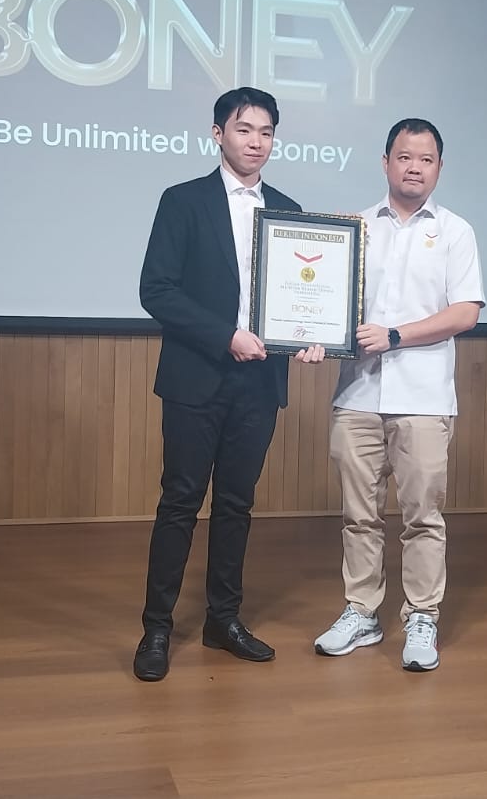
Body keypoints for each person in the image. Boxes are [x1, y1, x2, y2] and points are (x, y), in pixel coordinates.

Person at [133, 87, 321, 682]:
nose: (256, 142)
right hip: (197, 376)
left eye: (266, 132)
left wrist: (312, 336)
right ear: (218, 134)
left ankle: (223, 619)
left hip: (260, 382)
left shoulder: (288, 209)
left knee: (237, 505)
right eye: (244, 129)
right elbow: (156, 290)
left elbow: (301, 298)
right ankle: (156, 628)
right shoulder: (183, 201)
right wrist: (225, 336)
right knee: (180, 502)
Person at [312, 118, 484, 672]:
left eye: (426, 159)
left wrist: (395, 336)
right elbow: (326, 304)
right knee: (358, 515)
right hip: (358, 394)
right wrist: (308, 333)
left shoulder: (455, 231)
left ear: (439, 168)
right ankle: (361, 612)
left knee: (423, 517)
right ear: (386, 162)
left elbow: (466, 312)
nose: (414, 168)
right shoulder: (354, 229)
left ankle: (421, 617)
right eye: (405, 157)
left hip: (424, 399)